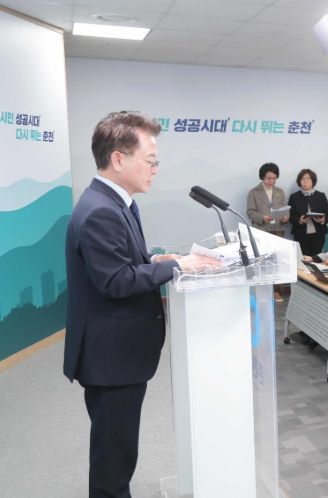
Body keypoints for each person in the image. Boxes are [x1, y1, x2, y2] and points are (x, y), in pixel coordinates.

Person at [63, 111, 220, 498]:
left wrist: (154, 260)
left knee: (117, 452)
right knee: (113, 462)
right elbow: (115, 281)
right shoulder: (102, 210)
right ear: (118, 159)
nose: (155, 169)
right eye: (150, 161)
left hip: (117, 353)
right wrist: (179, 265)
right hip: (111, 357)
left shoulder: (115, 202)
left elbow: (119, 263)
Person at [247, 162, 290, 301]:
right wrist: (262, 218)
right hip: (262, 231)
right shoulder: (254, 192)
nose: (271, 181)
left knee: (277, 262)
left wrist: (285, 217)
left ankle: (277, 291)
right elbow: (250, 212)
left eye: (274, 178)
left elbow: (285, 210)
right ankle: (262, 289)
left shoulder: (280, 192)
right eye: (268, 178)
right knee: (262, 262)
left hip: (278, 230)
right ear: (262, 177)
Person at [288, 168, 328, 257]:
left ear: (313, 181)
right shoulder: (294, 197)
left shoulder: (321, 196)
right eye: (303, 179)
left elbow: (327, 214)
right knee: (302, 259)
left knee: (316, 259)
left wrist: (322, 220)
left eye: (308, 179)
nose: (305, 181)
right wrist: (300, 221)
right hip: (300, 234)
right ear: (299, 181)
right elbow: (290, 215)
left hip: (318, 234)